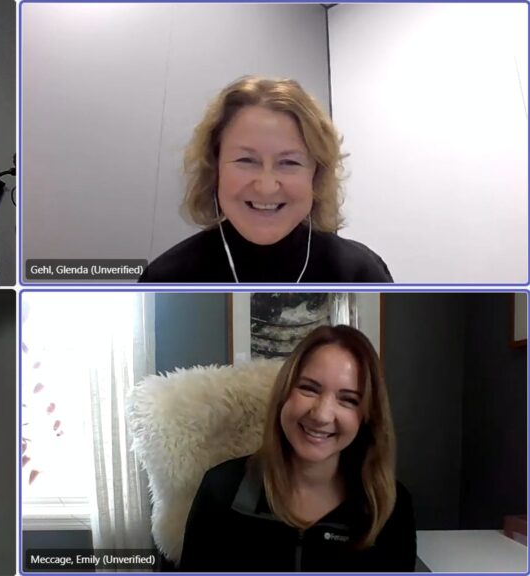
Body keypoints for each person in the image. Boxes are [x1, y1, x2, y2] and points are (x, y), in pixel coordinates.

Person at [178, 325, 415, 571]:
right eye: (309, 388)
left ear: (367, 417)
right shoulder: (221, 490)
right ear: (284, 394)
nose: (321, 415)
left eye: (348, 400)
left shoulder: (390, 506)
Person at [139, 76, 392, 283]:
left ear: (316, 174)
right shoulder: (164, 279)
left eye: (289, 163)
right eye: (246, 160)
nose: (266, 187)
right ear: (214, 168)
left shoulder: (362, 274)